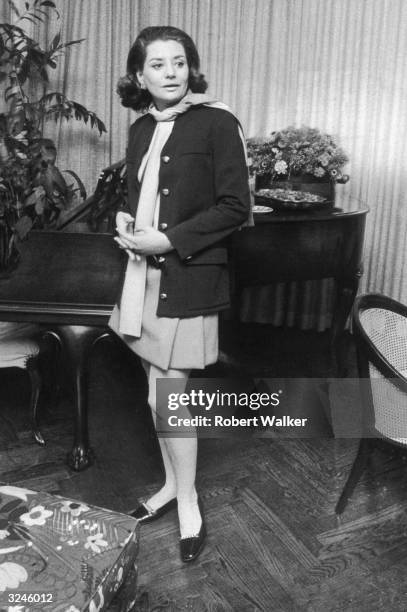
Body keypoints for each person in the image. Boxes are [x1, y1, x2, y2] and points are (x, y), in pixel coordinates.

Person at [109, 25, 250, 563]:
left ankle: (187, 500)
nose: (170, 73)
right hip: (140, 276)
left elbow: (236, 207)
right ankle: (170, 485)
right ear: (139, 76)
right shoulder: (141, 127)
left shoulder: (218, 121)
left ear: (190, 67)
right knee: (155, 386)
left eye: (178, 62)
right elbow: (138, 192)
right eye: (157, 65)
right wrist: (126, 216)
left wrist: (167, 239)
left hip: (187, 277)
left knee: (166, 398)